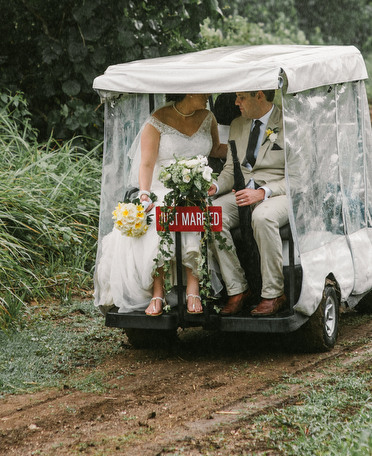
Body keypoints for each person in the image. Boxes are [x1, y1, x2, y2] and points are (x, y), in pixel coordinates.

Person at [94, 93, 219, 316]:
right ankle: (157, 290)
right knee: (158, 213)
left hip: (198, 188)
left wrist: (248, 147)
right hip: (162, 187)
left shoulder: (209, 117)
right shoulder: (156, 121)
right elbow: (147, 164)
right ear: (189, 92)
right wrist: (144, 194)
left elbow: (217, 149)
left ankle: (193, 287)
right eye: (204, 92)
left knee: (193, 208)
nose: (209, 95)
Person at [207, 89, 290, 316]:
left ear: (259, 96)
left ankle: (274, 294)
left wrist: (264, 192)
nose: (236, 102)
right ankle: (237, 289)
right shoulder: (237, 124)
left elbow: (298, 177)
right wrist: (215, 187)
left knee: (262, 217)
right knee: (212, 213)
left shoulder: (289, 122)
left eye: (241, 97)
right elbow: (231, 169)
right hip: (244, 191)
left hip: (280, 192)